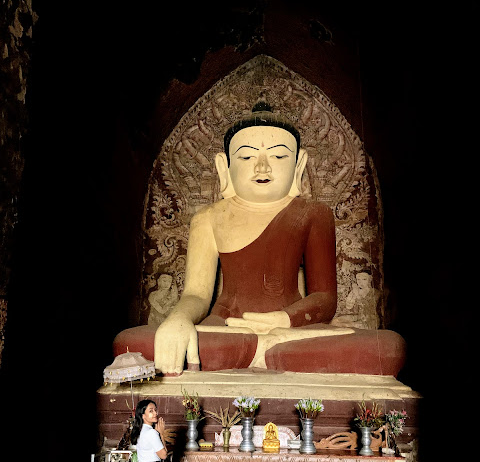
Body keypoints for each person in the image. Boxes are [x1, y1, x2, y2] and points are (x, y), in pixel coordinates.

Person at [114, 102, 405, 377]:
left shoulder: (314, 214)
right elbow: (197, 295)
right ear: (225, 166)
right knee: (130, 343)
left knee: (387, 348)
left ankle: (261, 351)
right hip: (227, 328)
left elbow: (324, 298)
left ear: (298, 165)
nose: (262, 167)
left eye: (278, 156)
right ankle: (269, 354)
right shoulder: (209, 218)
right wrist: (179, 319)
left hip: (290, 331)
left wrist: (284, 320)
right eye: (246, 157)